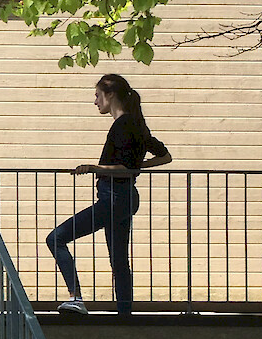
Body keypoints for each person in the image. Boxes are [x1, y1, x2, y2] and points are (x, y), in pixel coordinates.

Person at [46, 73, 172, 315]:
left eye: (97, 96)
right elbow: (165, 157)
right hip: (122, 198)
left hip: (114, 197)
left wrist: (94, 168)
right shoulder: (135, 124)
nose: (95, 102)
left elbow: (124, 168)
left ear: (110, 94)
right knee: (119, 261)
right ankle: (125, 314)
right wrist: (138, 167)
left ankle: (76, 298)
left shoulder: (124, 125)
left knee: (56, 238)